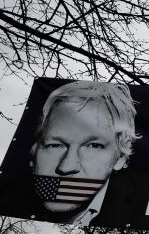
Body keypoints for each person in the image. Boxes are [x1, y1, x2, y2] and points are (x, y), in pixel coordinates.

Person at [30, 81, 139, 226]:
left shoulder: (131, 216)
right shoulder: (11, 202)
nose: (66, 167)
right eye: (55, 145)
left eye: (94, 146)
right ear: (34, 150)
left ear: (120, 158)